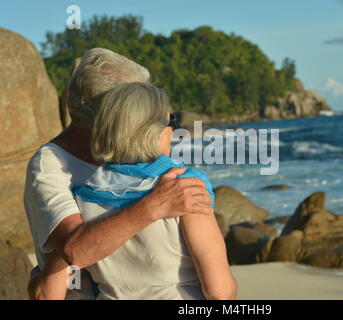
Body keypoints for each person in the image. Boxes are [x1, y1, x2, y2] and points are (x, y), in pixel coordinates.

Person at [25, 48, 213, 300]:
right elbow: (76, 251)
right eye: (134, 100)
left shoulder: (128, 161)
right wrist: (154, 205)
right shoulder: (50, 165)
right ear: (107, 109)